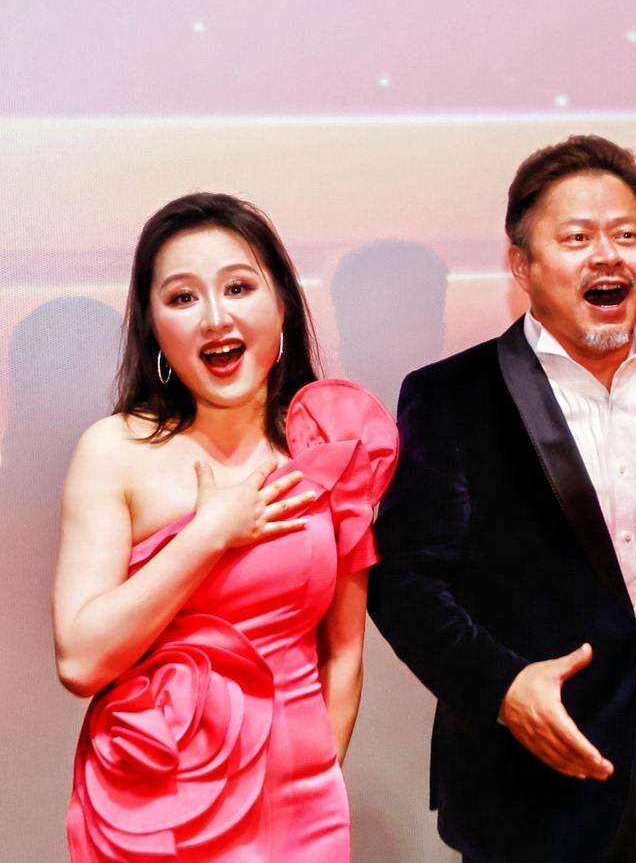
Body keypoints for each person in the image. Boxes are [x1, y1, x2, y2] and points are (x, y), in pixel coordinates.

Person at [369, 134, 636, 862]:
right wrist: (502, 688)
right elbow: (403, 582)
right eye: (578, 238)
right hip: (529, 774)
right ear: (522, 265)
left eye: (627, 235)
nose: (608, 256)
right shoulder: (453, 395)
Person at [54, 193, 397, 860]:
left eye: (238, 287)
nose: (215, 317)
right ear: (154, 327)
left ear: (282, 305)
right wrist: (209, 533)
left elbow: (344, 652)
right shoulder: (115, 450)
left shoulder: (331, 443)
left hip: (299, 808)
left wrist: (313, 783)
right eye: (182, 298)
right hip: (155, 802)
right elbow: (81, 659)